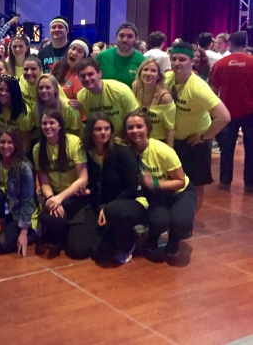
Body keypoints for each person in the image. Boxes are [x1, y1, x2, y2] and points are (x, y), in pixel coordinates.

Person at [120, 111, 196, 259]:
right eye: (130, 127)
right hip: (156, 195)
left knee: (181, 222)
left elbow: (180, 182)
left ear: (148, 128)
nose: (135, 131)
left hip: (180, 192)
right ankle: (152, 239)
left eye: (139, 126)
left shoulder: (163, 151)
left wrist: (154, 183)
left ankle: (173, 241)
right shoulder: (126, 151)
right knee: (159, 220)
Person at [165, 41, 230, 208]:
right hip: (173, 139)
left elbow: (224, 117)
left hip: (194, 141)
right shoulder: (166, 78)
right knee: (172, 180)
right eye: (174, 59)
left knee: (195, 183)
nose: (177, 63)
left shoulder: (199, 88)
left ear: (192, 61)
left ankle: (191, 217)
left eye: (182, 59)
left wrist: (204, 137)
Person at [83, 113, 146, 264]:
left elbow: (132, 188)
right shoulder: (87, 153)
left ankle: (129, 243)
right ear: (90, 131)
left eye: (107, 128)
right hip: (101, 204)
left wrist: (107, 208)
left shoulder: (122, 151)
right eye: (98, 129)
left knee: (105, 254)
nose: (103, 132)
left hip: (128, 202)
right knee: (94, 251)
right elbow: (94, 183)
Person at [34, 110, 91, 259]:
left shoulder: (74, 142)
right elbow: (44, 183)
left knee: (78, 250)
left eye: (52, 123)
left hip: (76, 196)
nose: (48, 126)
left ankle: (66, 232)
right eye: (44, 123)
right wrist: (52, 198)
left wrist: (60, 198)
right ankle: (59, 233)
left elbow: (83, 178)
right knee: (51, 219)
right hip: (55, 195)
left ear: (60, 125)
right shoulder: (38, 148)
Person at [0, 129, 39, 256]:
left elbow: (27, 201)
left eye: (10, 142)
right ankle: (7, 226)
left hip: (22, 214)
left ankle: (33, 232)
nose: (5, 146)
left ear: (16, 144)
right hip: (7, 211)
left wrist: (23, 232)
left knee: (0, 244)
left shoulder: (24, 167)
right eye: (2, 142)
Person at [210, 31, 253, 193]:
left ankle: (225, 181)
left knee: (226, 149)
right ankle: (250, 184)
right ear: (246, 43)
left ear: (230, 43)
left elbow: (213, 91)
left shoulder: (221, 64)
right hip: (250, 112)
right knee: (251, 149)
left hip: (227, 112)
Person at [75, 57, 139, 132]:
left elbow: (136, 116)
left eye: (90, 74)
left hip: (123, 135)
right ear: (78, 78)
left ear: (99, 74)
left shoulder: (120, 90)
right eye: (83, 76)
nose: (87, 79)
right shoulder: (81, 96)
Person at [132, 58, 175, 147]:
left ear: (159, 76)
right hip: (138, 138)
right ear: (140, 72)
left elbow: (169, 129)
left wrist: (170, 151)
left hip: (158, 142)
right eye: (145, 69)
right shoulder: (135, 87)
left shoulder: (165, 98)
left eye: (153, 71)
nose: (148, 73)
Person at [0, 75, 33, 153]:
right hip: (1, 142)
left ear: (14, 92)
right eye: (0, 89)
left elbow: (26, 143)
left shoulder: (24, 114)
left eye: (8, 90)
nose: (3, 93)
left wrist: (17, 158)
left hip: (18, 146)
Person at [95, 22, 145, 87]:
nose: (125, 40)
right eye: (121, 36)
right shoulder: (102, 57)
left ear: (136, 39)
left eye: (129, 36)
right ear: (116, 37)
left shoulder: (142, 61)